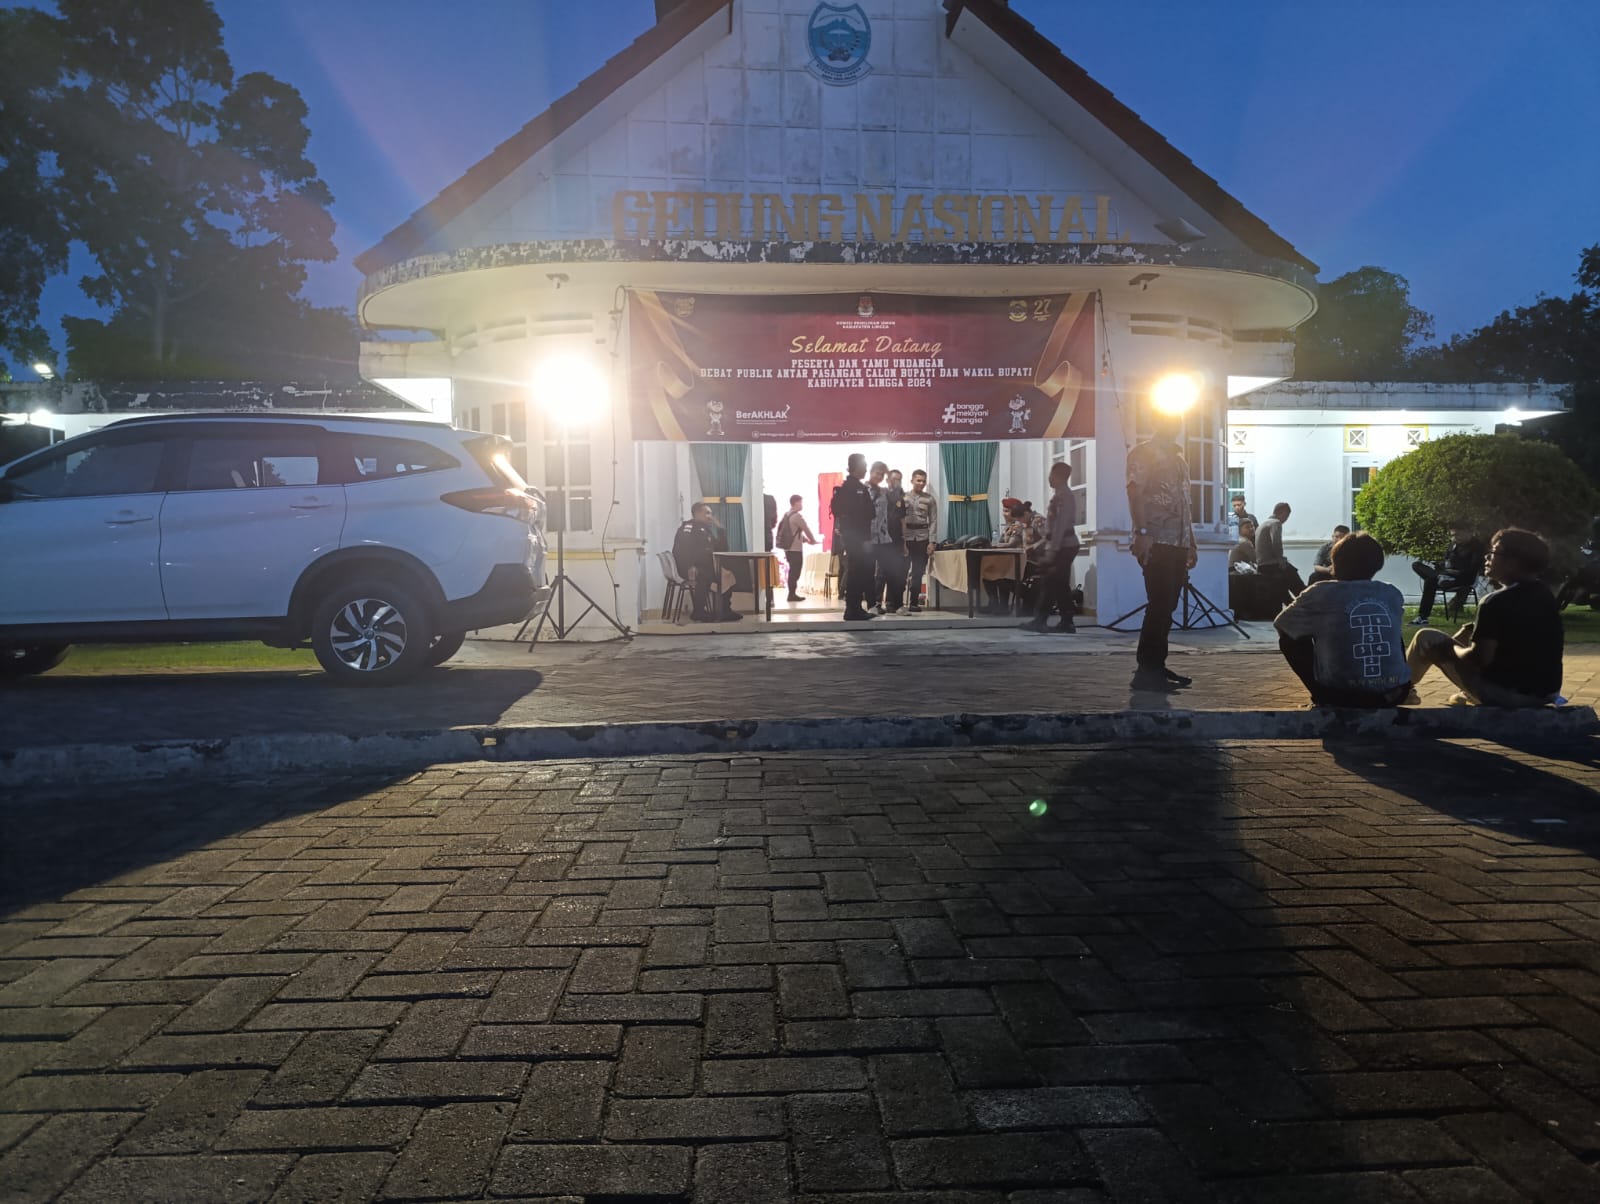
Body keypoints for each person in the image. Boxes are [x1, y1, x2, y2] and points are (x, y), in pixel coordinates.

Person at [1405, 527, 1564, 707]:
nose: (1487, 557)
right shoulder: (1544, 594)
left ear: (1512, 563)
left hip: (1507, 695)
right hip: (1545, 694)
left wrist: (1452, 648)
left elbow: (1480, 658)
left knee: (1426, 637)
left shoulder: (1493, 601)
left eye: (1493, 552)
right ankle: (1467, 695)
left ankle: (1401, 690)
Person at [1274, 532, 1410, 707]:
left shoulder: (1321, 592)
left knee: (1290, 637)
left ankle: (1322, 695)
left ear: (1335, 563)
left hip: (1341, 695)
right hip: (1395, 692)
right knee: (1388, 628)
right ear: (1378, 564)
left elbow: (1282, 625)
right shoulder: (1391, 592)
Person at [1126, 408, 1199, 690]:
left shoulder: (1180, 460)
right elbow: (1134, 492)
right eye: (1168, 420)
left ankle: (1157, 664)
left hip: (1178, 543)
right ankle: (1146, 670)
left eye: (1177, 421)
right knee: (1158, 605)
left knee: (1168, 607)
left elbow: (1184, 505)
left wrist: (1191, 542)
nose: (1175, 425)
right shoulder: (1143, 454)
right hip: (1156, 541)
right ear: (1156, 424)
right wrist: (1142, 532)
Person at [1021, 461, 1080, 633]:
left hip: (1064, 546)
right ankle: (1062, 621)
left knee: (1052, 582)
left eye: (1052, 475)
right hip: (1061, 545)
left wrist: (1052, 551)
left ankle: (1047, 620)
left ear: (1060, 476)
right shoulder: (1059, 495)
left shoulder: (1064, 496)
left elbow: (1060, 526)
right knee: (1057, 584)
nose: (1049, 478)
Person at [672, 502, 741, 623]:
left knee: (727, 574)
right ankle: (698, 611)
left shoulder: (705, 529)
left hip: (705, 566)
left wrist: (720, 530)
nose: (710, 516)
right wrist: (689, 566)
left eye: (711, 513)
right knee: (705, 576)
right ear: (697, 513)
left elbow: (722, 549)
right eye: (707, 513)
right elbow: (681, 549)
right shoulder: (688, 527)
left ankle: (725, 610)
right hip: (689, 568)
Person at [1410, 525, 1487, 624]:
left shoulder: (1477, 547)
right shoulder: (1453, 545)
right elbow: (1447, 561)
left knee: (1430, 581)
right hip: (1447, 575)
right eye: (1453, 535)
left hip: (1463, 577)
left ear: (1467, 532)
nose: (1455, 538)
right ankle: (1439, 577)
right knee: (1416, 565)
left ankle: (1422, 616)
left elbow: (1472, 569)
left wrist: (1451, 571)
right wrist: (1441, 566)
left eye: (1457, 535)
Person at [831, 453, 876, 621]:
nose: (866, 469)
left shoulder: (851, 487)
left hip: (853, 537)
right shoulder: (854, 488)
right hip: (857, 538)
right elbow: (868, 513)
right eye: (864, 466)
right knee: (857, 573)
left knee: (857, 572)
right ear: (856, 467)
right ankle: (852, 610)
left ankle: (855, 608)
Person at [902, 469, 938, 611]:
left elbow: (934, 520)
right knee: (901, 571)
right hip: (907, 538)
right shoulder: (903, 497)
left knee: (918, 572)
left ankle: (914, 603)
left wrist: (932, 541)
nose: (921, 483)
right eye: (918, 480)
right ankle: (897, 603)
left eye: (923, 481)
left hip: (922, 538)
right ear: (912, 481)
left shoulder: (929, 499)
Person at [1255, 502, 1306, 601]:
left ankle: (1291, 607)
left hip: (1262, 565)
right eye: (1286, 517)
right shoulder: (1275, 523)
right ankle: (1307, 603)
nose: (1285, 520)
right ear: (1283, 513)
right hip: (1272, 564)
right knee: (1298, 585)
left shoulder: (1262, 525)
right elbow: (1276, 543)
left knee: (1283, 591)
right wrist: (1281, 560)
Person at [875, 468, 909, 613]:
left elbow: (903, 521)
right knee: (882, 572)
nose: (897, 482)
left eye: (899, 480)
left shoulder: (901, 499)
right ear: (888, 480)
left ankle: (894, 604)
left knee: (897, 572)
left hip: (896, 540)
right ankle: (876, 603)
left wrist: (905, 542)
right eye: (894, 479)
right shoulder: (881, 495)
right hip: (882, 540)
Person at [775, 494, 817, 602]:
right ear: (796, 503)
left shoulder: (787, 515)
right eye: (801, 502)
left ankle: (792, 593)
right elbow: (806, 529)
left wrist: (806, 540)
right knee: (796, 571)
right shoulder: (797, 516)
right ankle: (792, 594)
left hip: (788, 548)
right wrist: (812, 540)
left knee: (792, 570)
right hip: (795, 549)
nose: (802, 505)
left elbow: (793, 532)